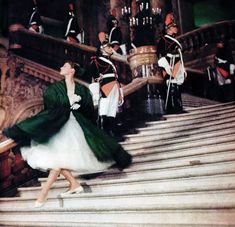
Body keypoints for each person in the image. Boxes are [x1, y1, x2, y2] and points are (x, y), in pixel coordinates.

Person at [3, 61, 132, 208]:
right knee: (57, 160)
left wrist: (79, 106)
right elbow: (50, 105)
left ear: (72, 70)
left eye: (64, 66)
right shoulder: (55, 88)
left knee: (56, 162)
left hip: (74, 126)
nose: (61, 68)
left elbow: (89, 108)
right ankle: (72, 184)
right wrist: (66, 105)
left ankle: (44, 194)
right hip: (59, 125)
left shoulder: (82, 89)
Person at [89, 41, 123, 137]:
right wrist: (97, 79)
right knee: (105, 107)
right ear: (102, 49)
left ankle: (111, 130)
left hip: (115, 85)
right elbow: (93, 73)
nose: (110, 48)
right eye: (108, 47)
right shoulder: (97, 60)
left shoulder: (110, 60)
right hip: (106, 85)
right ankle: (104, 131)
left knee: (113, 108)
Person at [156, 13, 186, 114]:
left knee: (177, 85)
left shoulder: (174, 40)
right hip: (169, 64)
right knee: (171, 84)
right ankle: (172, 108)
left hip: (177, 63)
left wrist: (183, 68)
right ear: (169, 28)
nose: (176, 28)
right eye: (174, 27)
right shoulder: (163, 40)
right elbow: (160, 54)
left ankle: (178, 107)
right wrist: (166, 66)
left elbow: (180, 55)